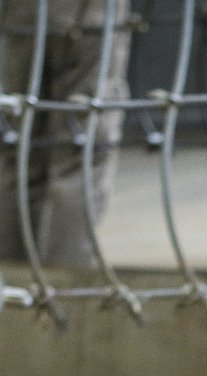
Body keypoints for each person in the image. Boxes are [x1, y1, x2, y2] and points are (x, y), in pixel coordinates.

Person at [0, 0, 131, 266]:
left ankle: (14, 286)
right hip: (88, 13)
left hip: (20, 13)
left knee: (22, 146)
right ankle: (64, 291)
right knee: (80, 151)